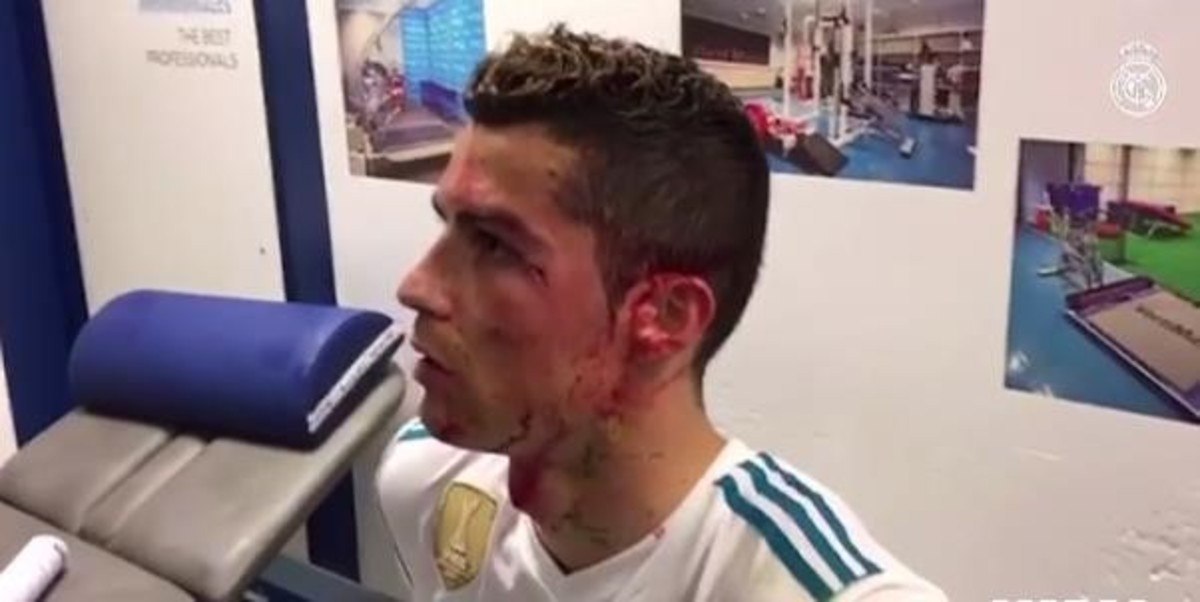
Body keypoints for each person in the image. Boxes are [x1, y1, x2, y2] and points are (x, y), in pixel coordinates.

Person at [376, 24, 947, 601]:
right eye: (446, 224)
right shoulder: (424, 478)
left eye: (497, 245)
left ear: (666, 318)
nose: (416, 287)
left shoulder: (801, 588)